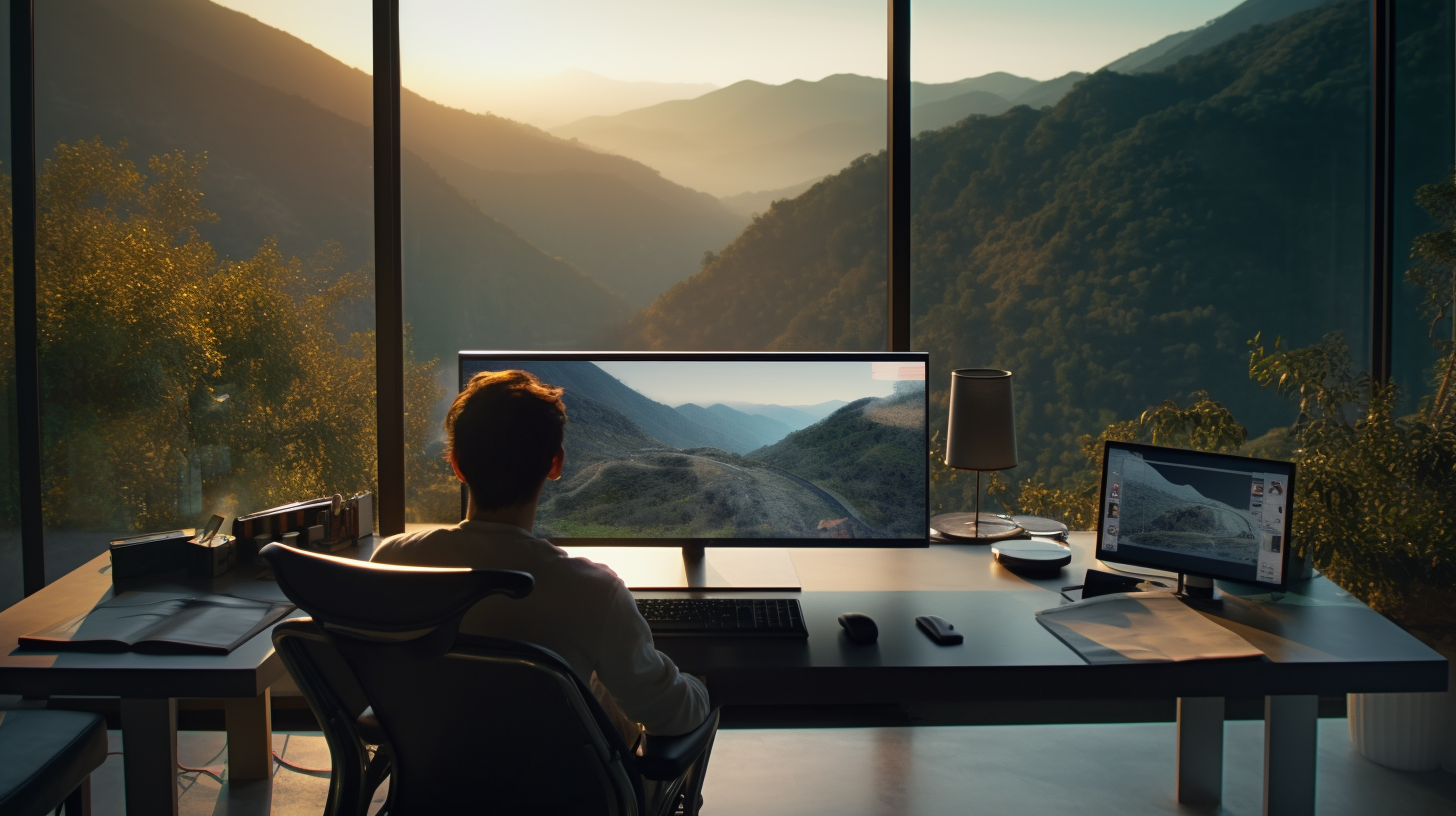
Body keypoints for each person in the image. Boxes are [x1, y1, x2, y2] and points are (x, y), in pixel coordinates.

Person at [370, 369, 710, 747]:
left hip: (433, 785)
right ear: (556, 463)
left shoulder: (392, 562)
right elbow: (672, 715)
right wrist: (700, 689)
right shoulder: (593, 593)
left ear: (457, 464)